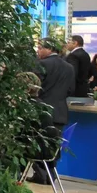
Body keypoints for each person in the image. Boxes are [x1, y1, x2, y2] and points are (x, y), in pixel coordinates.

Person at [32, 38, 75, 184]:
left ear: (48, 49)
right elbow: (70, 90)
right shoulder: (69, 67)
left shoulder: (41, 64)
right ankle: (51, 174)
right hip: (60, 112)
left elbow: (34, 88)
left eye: (40, 48)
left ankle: (41, 174)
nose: (38, 51)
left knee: (38, 143)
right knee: (53, 145)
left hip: (42, 110)